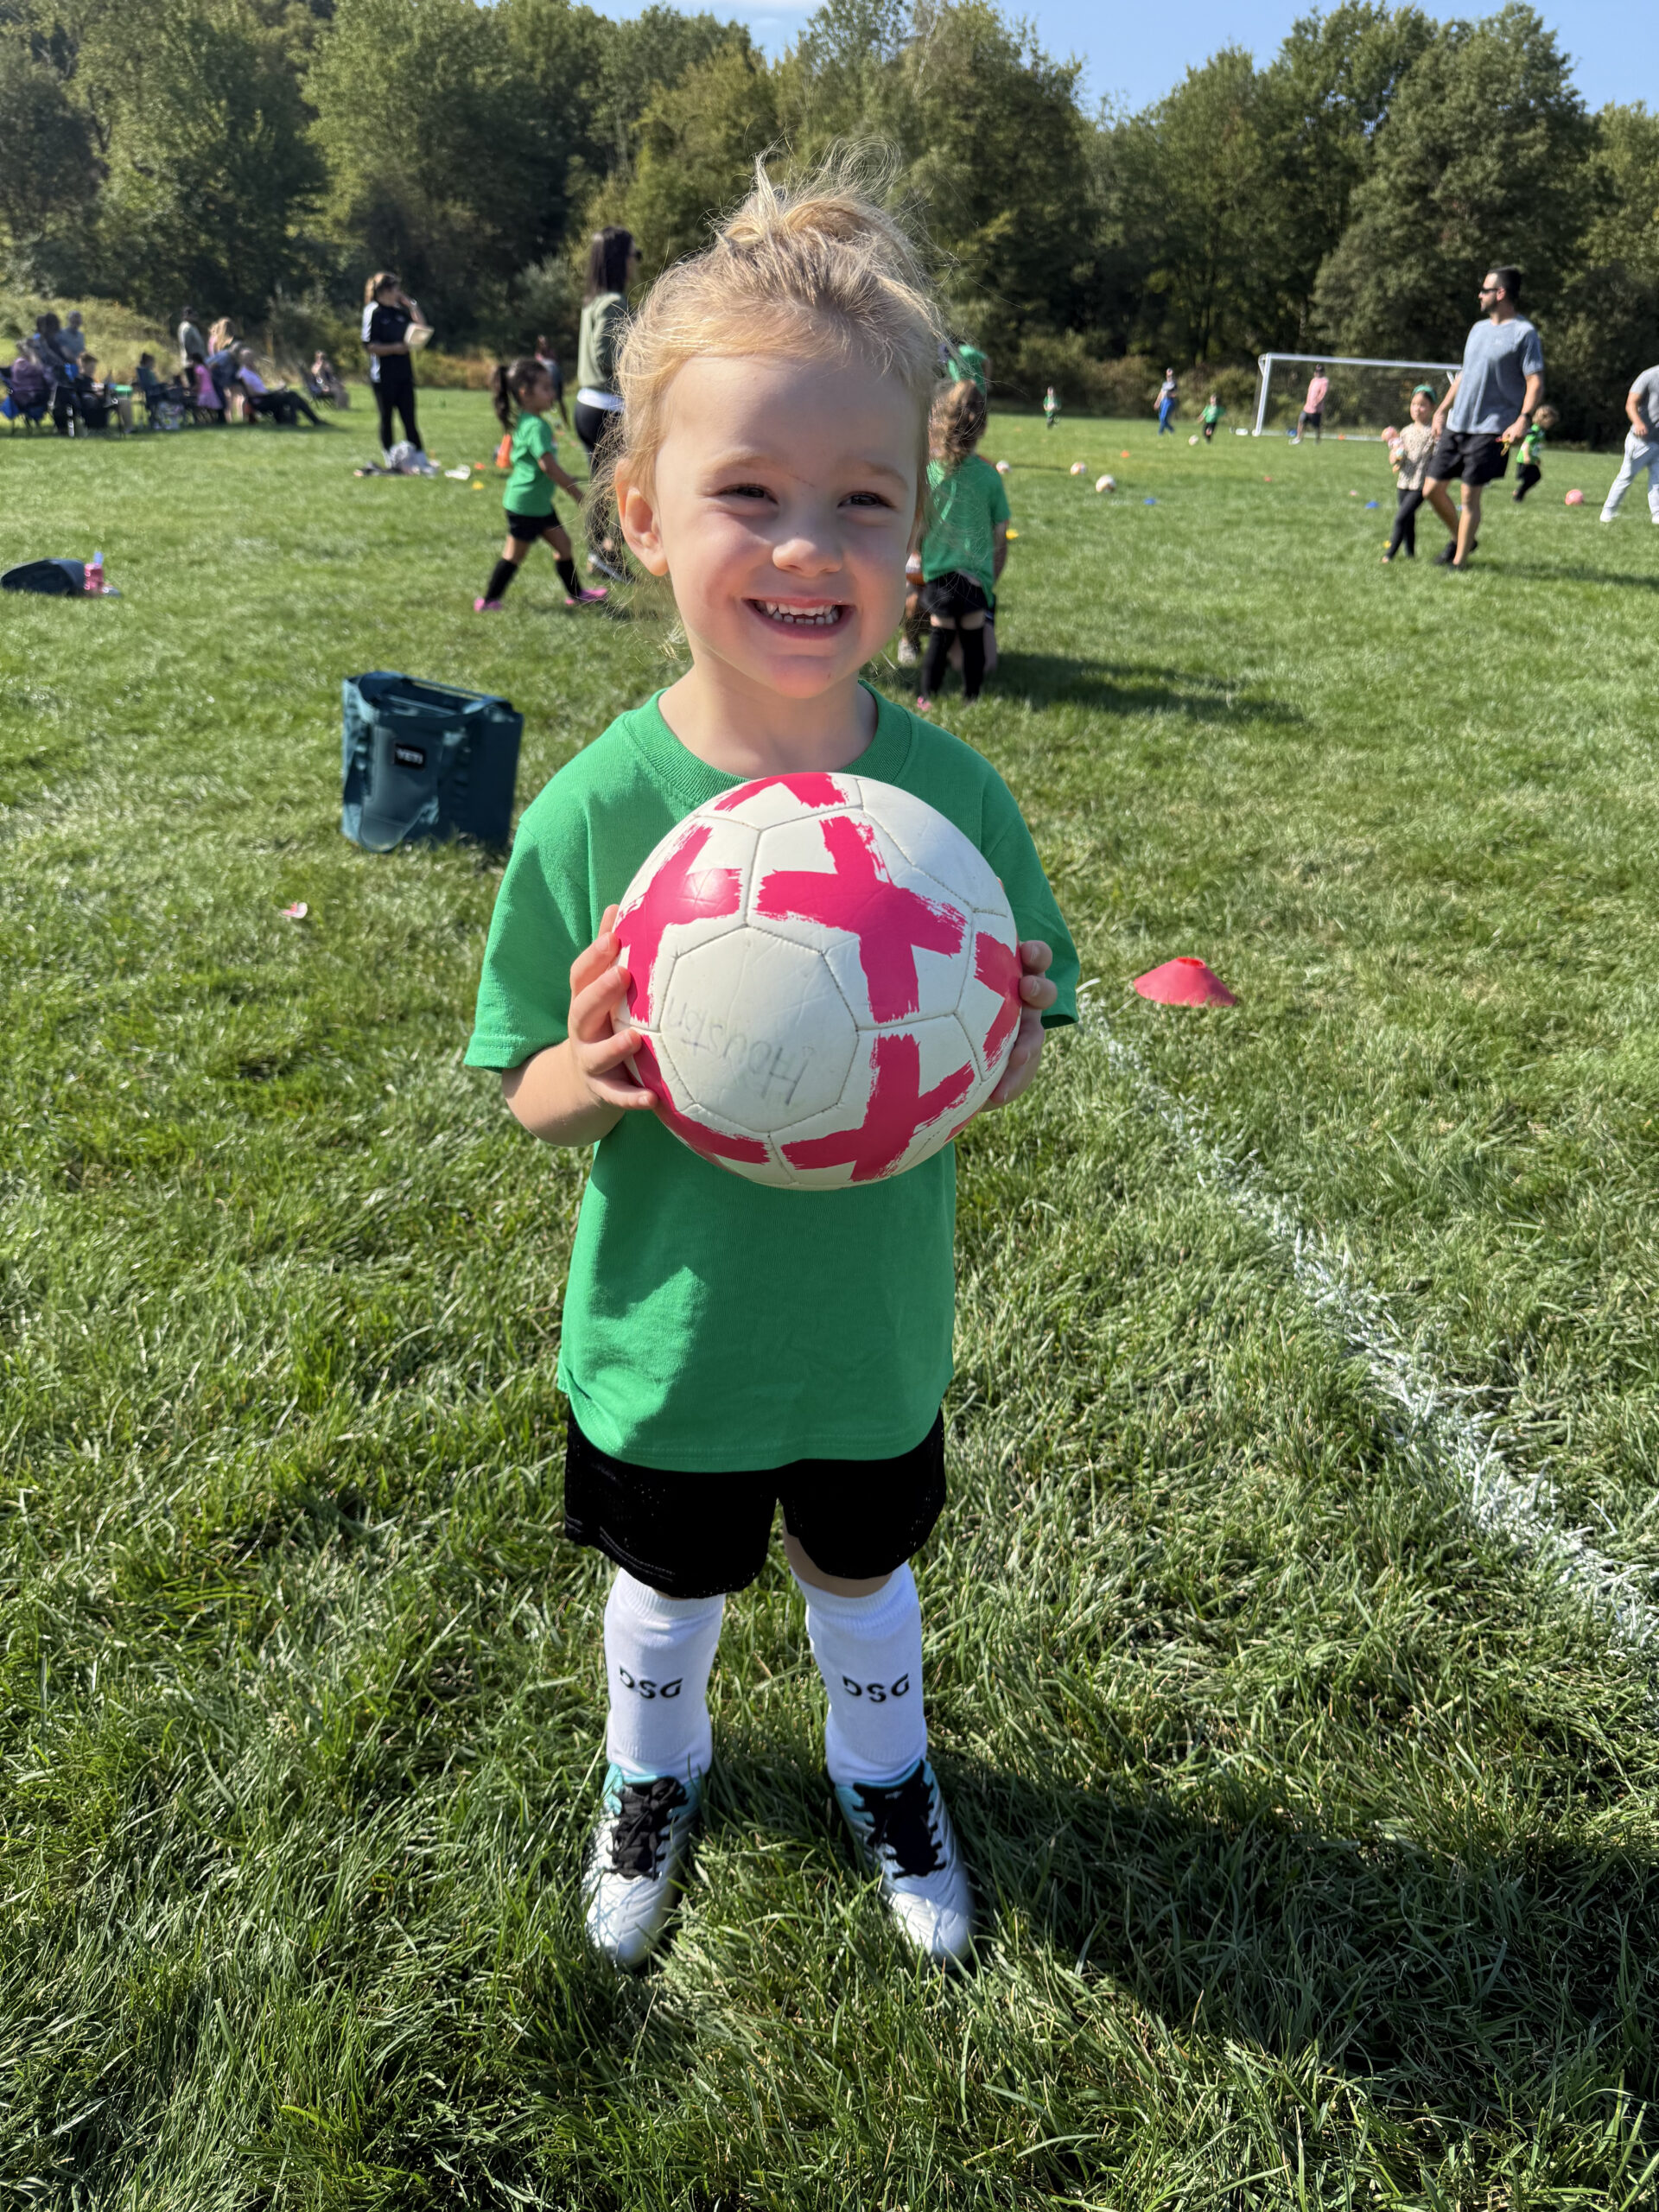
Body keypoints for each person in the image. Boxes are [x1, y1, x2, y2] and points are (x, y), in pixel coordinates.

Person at [462, 164, 1077, 1976]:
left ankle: (885, 1765)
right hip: (672, 1333)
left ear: (920, 536)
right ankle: (654, 1767)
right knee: (665, 1582)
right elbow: (520, 1085)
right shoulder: (594, 811)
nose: (808, 544)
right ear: (642, 516)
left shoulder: (953, 812)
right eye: (749, 495)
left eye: (861, 503)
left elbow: (1008, 1063)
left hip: (866, 1328)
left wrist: (1004, 1048)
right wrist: (592, 1071)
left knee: (865, 1571)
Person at [1424, 265, 1544, 570]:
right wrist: (1441, 411)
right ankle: (1463, 539)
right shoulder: (1477, 329)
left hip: (1491, 427)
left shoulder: (1524, 333)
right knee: (1431, 490)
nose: (1480, 294)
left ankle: (1460, 561)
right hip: (1458, 423)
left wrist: (1523, 419)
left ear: (1500, 293)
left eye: (1485, 289)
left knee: (1469, 496)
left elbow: (1535, 381)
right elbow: (1465, 375)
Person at [474, 356, 607, 611]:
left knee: (563, 545)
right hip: (526, 506)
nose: (552, 393)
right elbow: (548, 467)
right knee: (514, 555)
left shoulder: (527, 420)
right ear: (525, 394)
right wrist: (577, 493)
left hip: (536, 503)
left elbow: (530, 463)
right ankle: (489, 601)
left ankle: (577, 594)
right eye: (545, 388)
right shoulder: (536, 426)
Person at [916, 379, 1009, 712]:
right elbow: (1001, 530)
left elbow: (919, 527)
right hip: (973, 579)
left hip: (938, 578)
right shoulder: (989, 477)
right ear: (982, 428)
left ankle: (926, 696)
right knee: (972, 642)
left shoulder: (929, 474)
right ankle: (972, 697)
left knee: (939, 639)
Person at [575, 226, 640, 581]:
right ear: (620, 259)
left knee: (601, 485)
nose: (636, 262)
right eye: (635, 254)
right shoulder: (614, 302)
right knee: (617, 485)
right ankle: (606, 552)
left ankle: (599, 554)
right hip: (607, 408)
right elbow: (606, 354)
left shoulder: (592, 303)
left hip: (586, 404)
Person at [361, 272, 426, 459]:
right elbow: (369, 346)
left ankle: (420, 456)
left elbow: (421, 329)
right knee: (386, 418)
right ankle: (389, 456)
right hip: (383, 376)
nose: (399, 292)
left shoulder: (399, 312)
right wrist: (394, 348)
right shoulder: (373, 311)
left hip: (404, 373)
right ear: (385, 290)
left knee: (409, 418)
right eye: (395, 288)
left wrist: (413, 306)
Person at [1382, 385, 1438, 562]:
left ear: (1432, 408)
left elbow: (1438, 458)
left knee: (1400, 518)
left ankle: (1389, 555)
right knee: (1409, 520)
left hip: (1420, 485)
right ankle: (1410, 555)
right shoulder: (1405, 431)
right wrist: (1395, 456)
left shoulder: (1433, 433)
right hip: (1404, 482)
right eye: (1414, 404)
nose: (1417, 409)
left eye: (1422, 405)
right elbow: (1397, 457)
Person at [1599, 365, 1659, 524]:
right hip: (1640, 441)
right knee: (1626, 477)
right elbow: (1630, 403)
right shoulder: (1650, 375)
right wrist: (1638, 423)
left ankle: (1657, 515)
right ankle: (1608, 512)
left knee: (1657, 480)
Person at [234, 346, 324, 426]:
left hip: (266, 397)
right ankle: (306, 420)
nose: (252, 360)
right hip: (261, 401)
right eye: (249, 358)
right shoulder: (244, 374)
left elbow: (261, 390)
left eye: (252, 357)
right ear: (242, 359)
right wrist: (273, 392)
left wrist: (274, 390)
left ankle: (299, 421)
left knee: (293, 396)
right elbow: (252, 393)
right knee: (292, 395)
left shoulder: (252, 372)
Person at [1511, 403, 1557, 502]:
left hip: (1531, 460)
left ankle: (1519, 492)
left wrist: (1536, 459)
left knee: (1535, 477)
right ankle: (1518, 494)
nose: (1551, 424)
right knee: (1532, 477)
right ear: (1544, 420)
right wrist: (1526, 456)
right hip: (1525, 459)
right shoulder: (1535, 430)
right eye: (1550, 422)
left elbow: (1535, 446)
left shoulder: (1541, 431)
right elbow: (1526, 443)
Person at [534, 333, 570, 427]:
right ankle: (554, 423)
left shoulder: (552, 353)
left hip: (556, 379)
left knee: (560, 401)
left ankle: (566, 423)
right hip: (547, 383)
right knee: (548, 402)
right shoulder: (538, 356)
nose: (544, 345)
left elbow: (555, 365)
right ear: (539, 344)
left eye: (545, 342)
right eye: (542, 343)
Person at [1293, 365, 1329, 443]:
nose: (1318, 373)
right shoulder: (1313, 380)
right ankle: (1299, 438)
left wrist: (1317, 402)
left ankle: (1318, 440)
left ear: (1323, 372)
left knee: (1316, 426)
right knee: (1301, 421)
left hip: (1316, 409)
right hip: (1307, 407)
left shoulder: (1324, 381)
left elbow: (1323, 394)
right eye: (1317, 372)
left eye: (1320, 372)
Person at [178, 307, 204, 373]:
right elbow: (186, 344)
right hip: (192, 363)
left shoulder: (191, 326)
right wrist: (191, 359)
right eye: (191, 315)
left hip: (197, 361)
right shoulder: (186, 328)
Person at [1155, 367, 1177, 434]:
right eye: (1168, 375)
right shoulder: (1164, 384)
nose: (1169, 377)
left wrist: (1169, 394)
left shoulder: (1174, 384)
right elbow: (1161, 393)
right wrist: (1157, 402)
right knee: (1161, 418)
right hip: (1163, 401)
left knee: (1163, 418)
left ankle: (1160, 432)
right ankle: (1171, 429)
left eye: (1170, 376)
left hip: (1169, 402)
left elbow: (1176, 394)